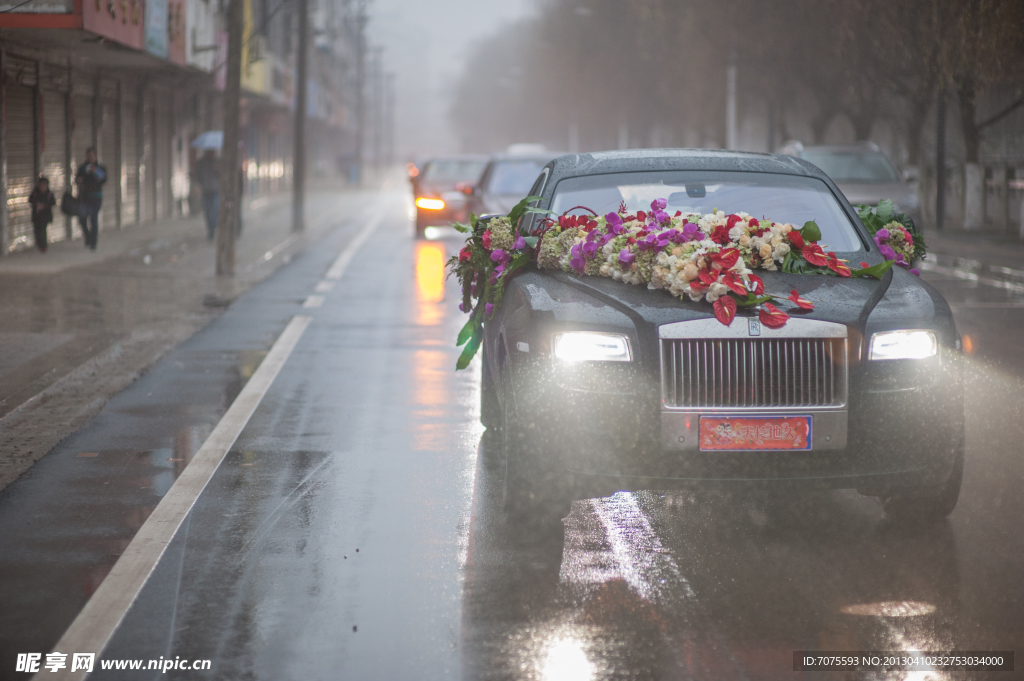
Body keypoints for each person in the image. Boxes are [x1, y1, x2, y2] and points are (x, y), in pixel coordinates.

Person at [74, 148, 106, 250]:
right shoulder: (83, 168)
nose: (90, 158)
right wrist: (79, 180)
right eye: (88, 156)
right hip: (84, 198)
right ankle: (87, 236)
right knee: (82, 219)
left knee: (93, 220)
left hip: (96, 198)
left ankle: (93, 243)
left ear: (95, 156)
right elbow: (77, 179)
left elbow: (104, 179)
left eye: (92, 156)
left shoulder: (100, 168)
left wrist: (95, 171)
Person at [194, 149, 220, 240]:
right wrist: (198, 185)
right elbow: (197, 175)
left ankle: (213, 227)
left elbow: (221, 176)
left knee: (215, 210)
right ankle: (210, 229)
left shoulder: (217, 161)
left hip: (215, 190)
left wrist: (217, 169)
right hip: (205, 190)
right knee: (207, 211)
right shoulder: (201, 163)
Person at [28, 176, 56, 253]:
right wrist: (37, 204)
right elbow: (30, 200)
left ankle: (43, 246)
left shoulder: (49, 194)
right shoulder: (35, 193)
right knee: (37, 230)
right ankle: (39, 244)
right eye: (41, 185)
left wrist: (44, 206)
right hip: (36, 216)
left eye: (44, 185)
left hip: (45, 216)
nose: (42, 187)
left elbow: (53, 203)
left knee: (43, 230)